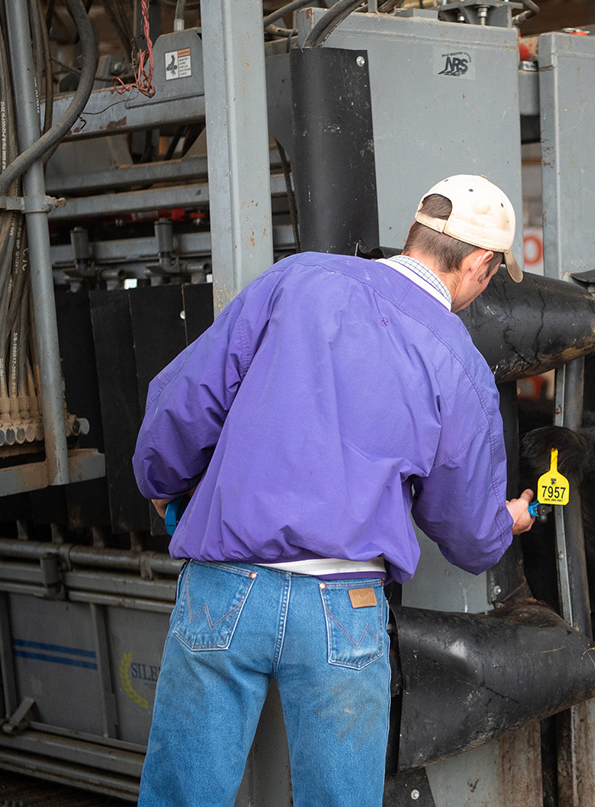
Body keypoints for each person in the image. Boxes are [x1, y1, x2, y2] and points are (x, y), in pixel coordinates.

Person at [131, 174, 537, 807]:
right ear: (482, 264)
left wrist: (159, 481)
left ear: (418, 234)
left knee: (181, 796)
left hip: (224, 585)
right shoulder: (459, 362)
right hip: (340, 608)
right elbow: (465, 530)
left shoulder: (297, 279)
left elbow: (188, 398)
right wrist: (503, 524)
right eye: (490, 276)